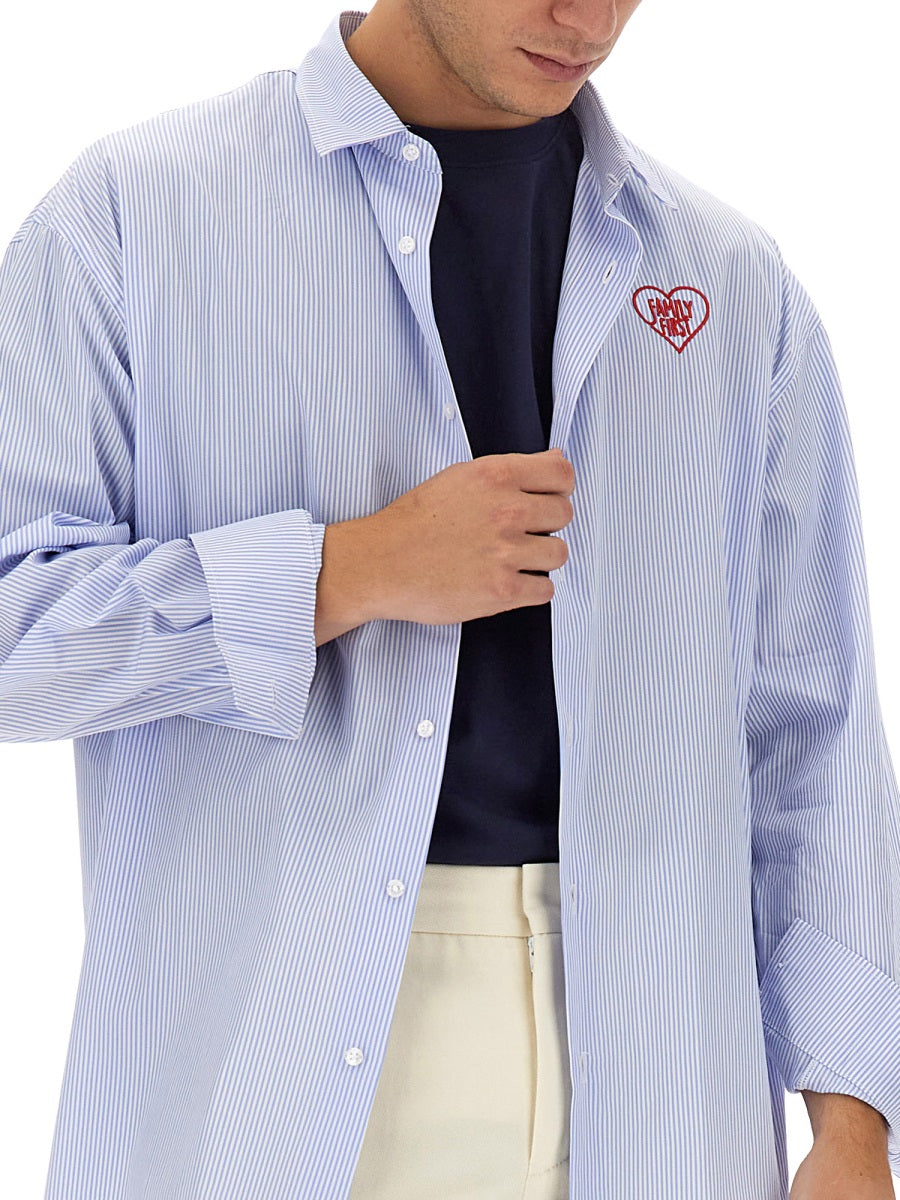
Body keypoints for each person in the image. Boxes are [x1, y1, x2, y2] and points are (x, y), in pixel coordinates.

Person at [0, 1, 898, 1197]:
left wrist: (852, 1121)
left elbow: (815, 733)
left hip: (664, 1064)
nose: (590, 17)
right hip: (273, 1062)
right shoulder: (137, 213)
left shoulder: (731, 281)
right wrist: (349, 569)